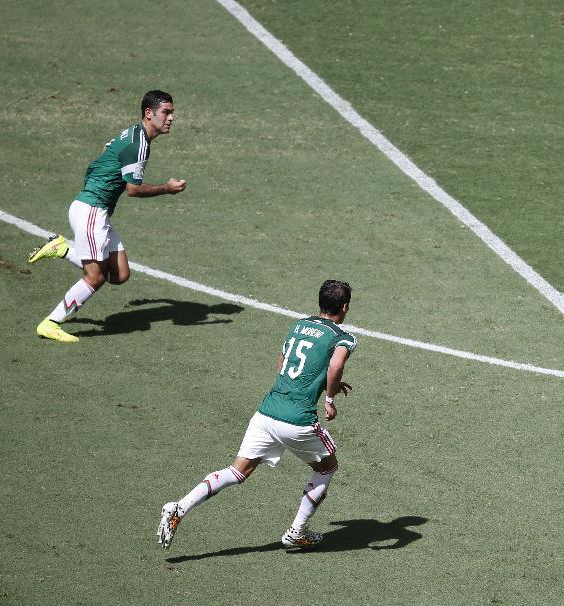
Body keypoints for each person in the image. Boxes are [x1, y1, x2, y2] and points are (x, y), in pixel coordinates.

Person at [157, 280, 357, 550]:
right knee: (328, 466)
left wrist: (318, 383)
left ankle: (179, 507)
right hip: (298, 420)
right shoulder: (342, 337)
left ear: (320, 301)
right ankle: (297, 531)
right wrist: (329, 398)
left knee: (237, 471)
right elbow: (335, 364)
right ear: (345, 307)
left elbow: (284, 363)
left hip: (267, 413)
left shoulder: (298, 325)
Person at [28, 90, 187, 343]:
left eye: (172, 112)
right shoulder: (139, 144)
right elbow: (133, 190)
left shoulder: (133, 133)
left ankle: (62, 248)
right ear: (149, 113)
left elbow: (104, 152)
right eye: (166, 112)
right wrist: (166, 189)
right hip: (92, 211)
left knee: (119, 274)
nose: (171, 118)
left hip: (94, 210)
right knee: (96, 277)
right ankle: (51, 322)